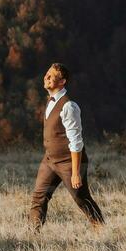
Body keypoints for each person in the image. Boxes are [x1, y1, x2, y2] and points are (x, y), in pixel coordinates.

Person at [28, 62, 104, 231]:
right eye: (47, 74)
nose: (46, 77)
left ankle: (101, 229)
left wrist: (76, 173)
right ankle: (32, 237)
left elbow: (76, 141)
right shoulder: (50, 102)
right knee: (39, 197)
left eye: (51, 76)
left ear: (62, 81)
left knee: (81, 198)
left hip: (69, 162)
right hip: (49, 160)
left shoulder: (69, 106)